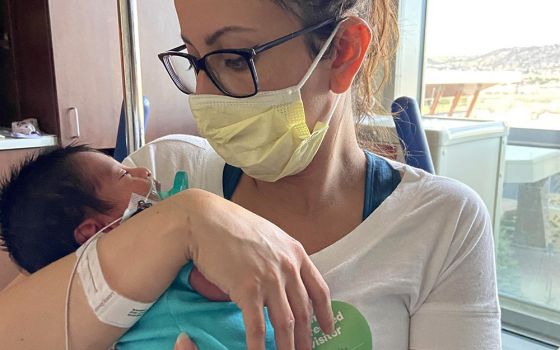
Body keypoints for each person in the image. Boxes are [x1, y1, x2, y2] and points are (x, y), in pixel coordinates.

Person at [0, 0, 501, 349]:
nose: (204, 95)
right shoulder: (155, 180)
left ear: (343, 51)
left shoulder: (443, 224)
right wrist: (185, 220)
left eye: (234, 59)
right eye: (195, 59)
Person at [0, 144, 276, 349]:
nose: (143, 170)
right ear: (92, 231)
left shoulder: (100, 313)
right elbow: (228, 285)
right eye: (123, 174)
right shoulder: (163, 260)